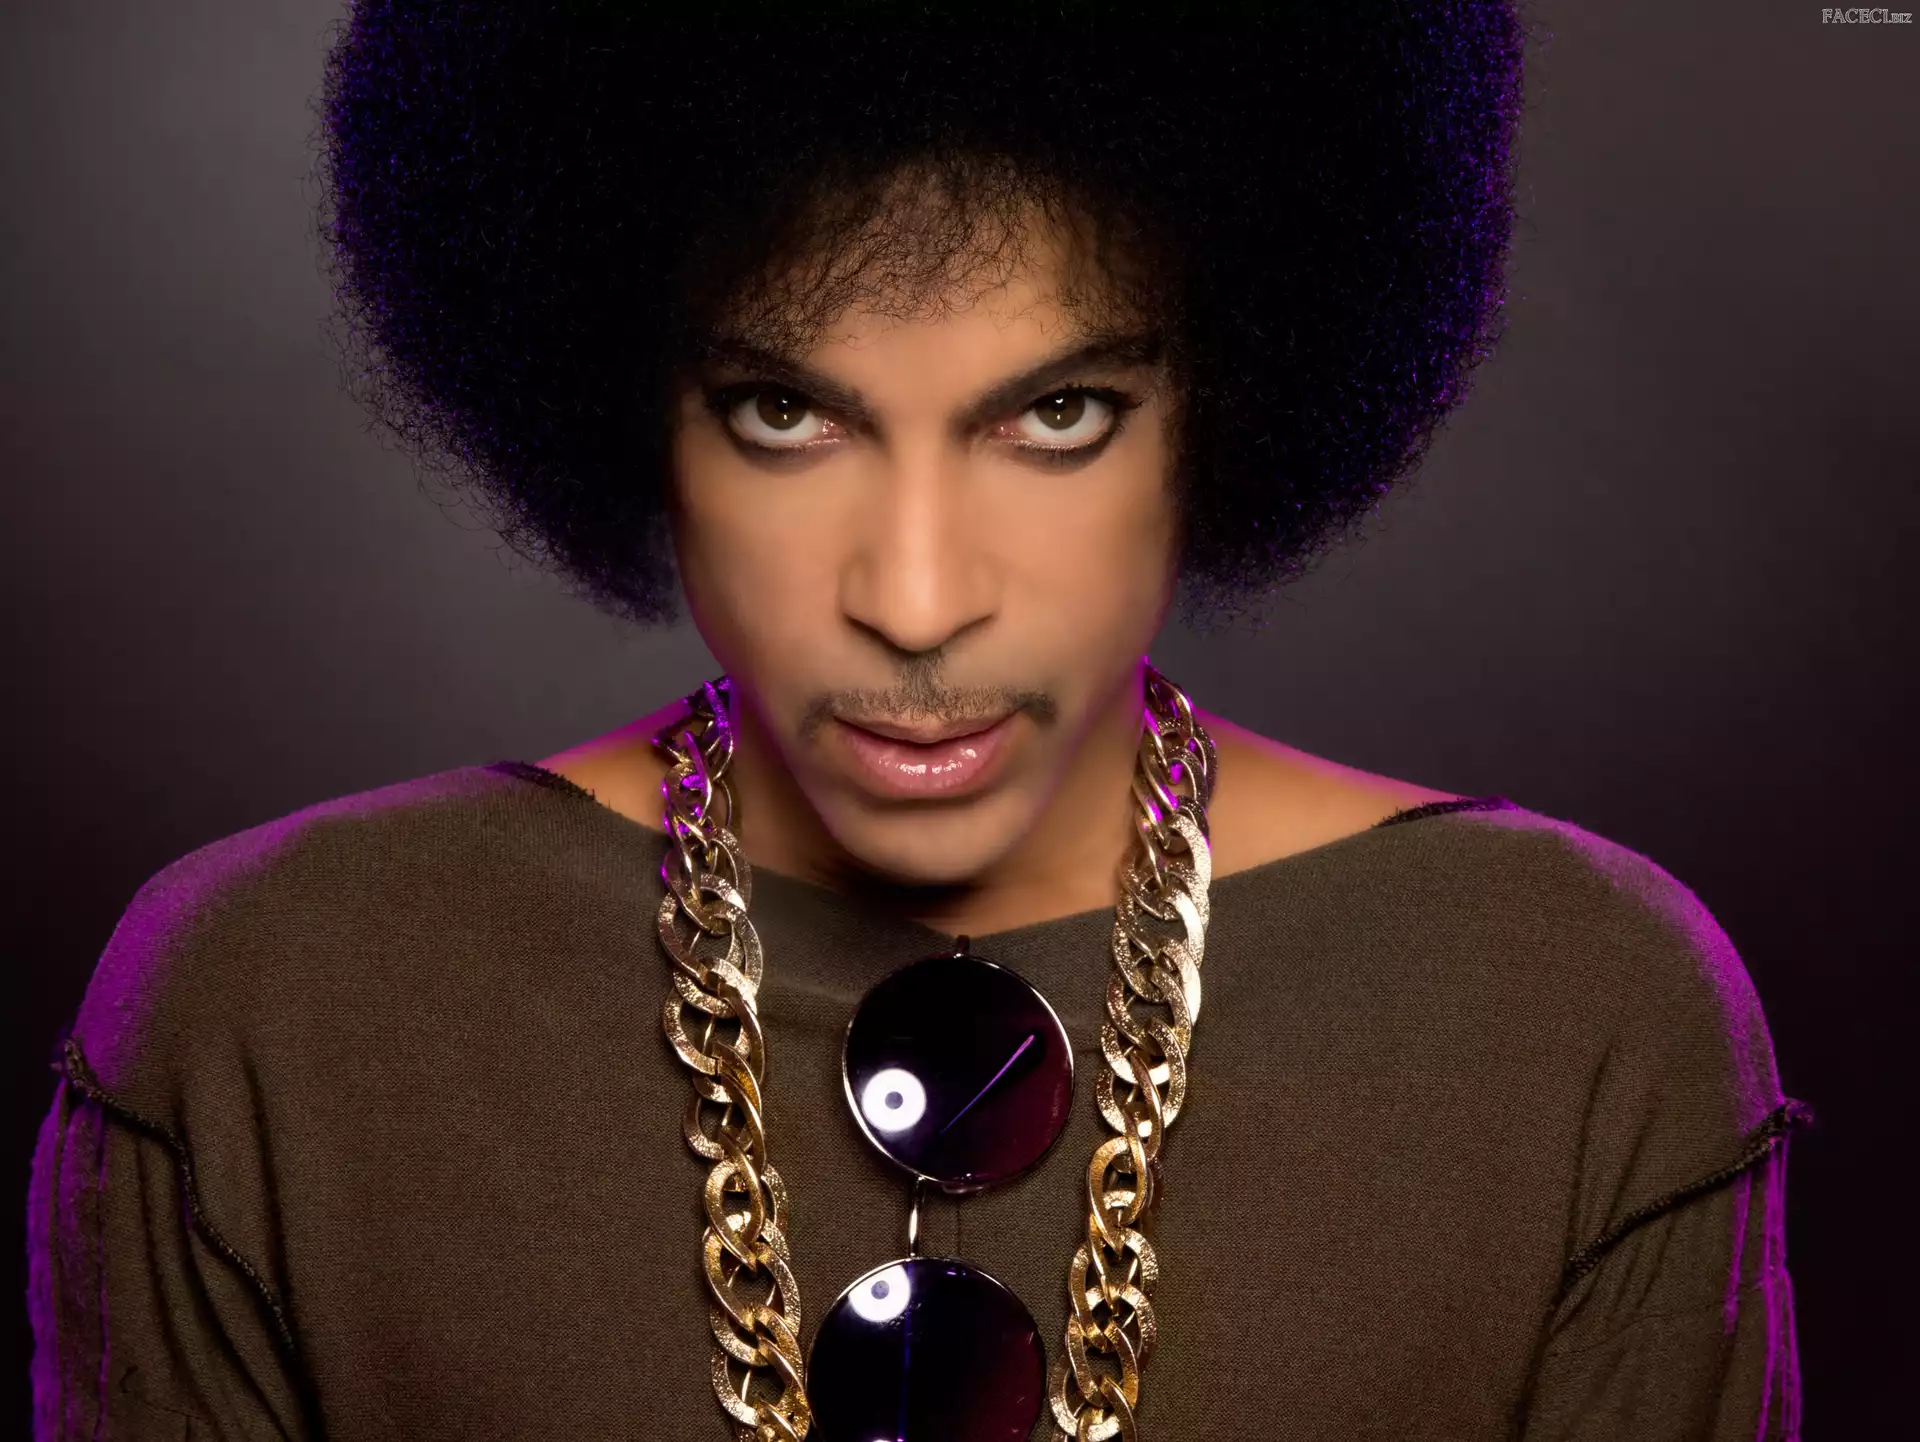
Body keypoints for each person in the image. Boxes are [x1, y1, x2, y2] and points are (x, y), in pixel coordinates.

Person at [27, 3, 1807, 1439]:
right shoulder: (282, 1007)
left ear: (1224, 403)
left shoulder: (1569, 1016)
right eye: (785, 413)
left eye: (1059, 414)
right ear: (635, 407)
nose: (919, 593)